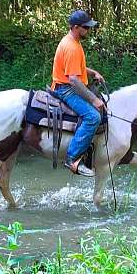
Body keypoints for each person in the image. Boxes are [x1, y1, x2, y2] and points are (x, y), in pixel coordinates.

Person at [50, 10, 106, 177]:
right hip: (66, 89)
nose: (88, 30)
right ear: (76, 27)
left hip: (69, 85)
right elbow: (73, 79)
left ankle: (87, 149)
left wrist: (92, 72)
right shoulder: (72, 46)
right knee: (93, 117)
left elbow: (76, 67)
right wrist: (94, 99)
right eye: (86, 28)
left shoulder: (73, 41)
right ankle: (72, 158)